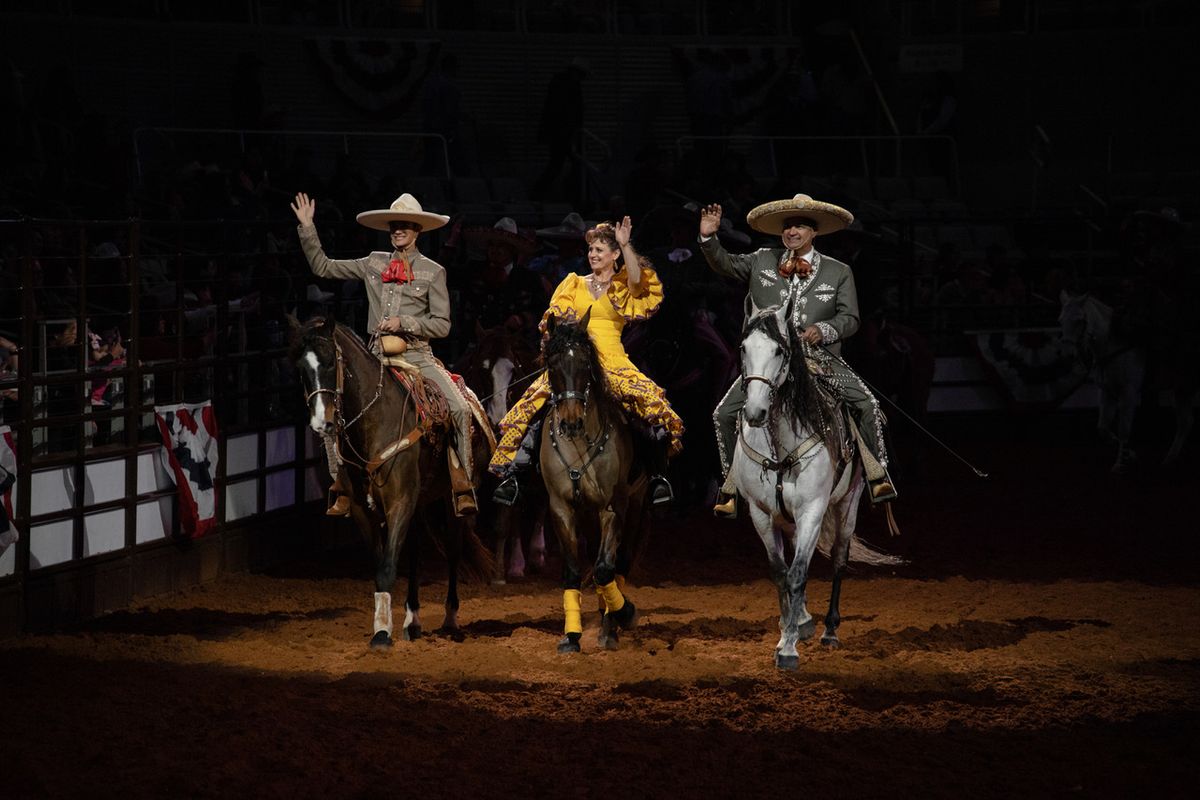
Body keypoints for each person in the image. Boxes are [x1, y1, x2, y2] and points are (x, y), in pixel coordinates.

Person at [699, 194, 896, 518]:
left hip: (819, 357)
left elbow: (851, 318)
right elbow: (725, 263)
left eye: (800, 226)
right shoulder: (762, 259)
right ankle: (731, 485)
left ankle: (878, 475)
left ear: (814, 232)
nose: (792, 231)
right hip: (769, 361)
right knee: (722, 414)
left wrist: (825, 329)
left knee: (867, 404)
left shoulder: (838, 271)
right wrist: (708, 237)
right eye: (788, 225)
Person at [291, 191, 478, 517]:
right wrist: (308, 227)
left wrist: (403, 322)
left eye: (404, 225)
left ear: (418, 230)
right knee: (333, 409)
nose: (397, 230)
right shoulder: (374, 262)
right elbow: (324, 267)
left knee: (460, 408)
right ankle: (341, 487)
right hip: (375, 356)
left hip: (417, 358)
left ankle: (462, 486)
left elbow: (443, 325)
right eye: (394, 225)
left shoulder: (433, 272)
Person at [490, 218, 683, 507]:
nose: (592, 254)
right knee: (532, 407)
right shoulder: (573, 283)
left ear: (614, 255)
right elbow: (556, 323)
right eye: (591, 249)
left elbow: (636, 279)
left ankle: (655, 476)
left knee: (647, 411)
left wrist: (626, 243)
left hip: (612, 361)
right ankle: (515, 475)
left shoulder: (623, 286)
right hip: (574, 360)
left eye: (600, 250)